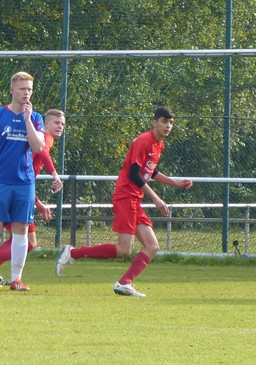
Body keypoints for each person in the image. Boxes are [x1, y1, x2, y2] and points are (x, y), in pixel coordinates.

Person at [55, 106, 193, 297]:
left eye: (171, 122)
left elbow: (150, 171)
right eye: (164, 121)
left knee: (152, 246)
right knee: (124, 250)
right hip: (126, 196)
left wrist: (175, 183)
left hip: (134, 199)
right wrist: (155, 198)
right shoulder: (145, 140)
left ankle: (124, 283)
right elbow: (134, 174)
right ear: (154, 122)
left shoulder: (158, 144)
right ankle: (72, 253)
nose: (168, 126)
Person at [0, 109, 65, 283]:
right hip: (9, 187)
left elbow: (26, 179)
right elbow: (42, 151)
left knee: (27, 240)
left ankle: (15, 279)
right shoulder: (46, 138)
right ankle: (15, 279)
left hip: (19, 189)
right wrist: (54, 173)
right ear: (46, 124)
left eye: (62, 124)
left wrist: (37, 202)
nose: (60, 126)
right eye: (56, 123)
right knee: (26, 240)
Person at [0, 71, 49, 291]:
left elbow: (38, 147)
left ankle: (16, 280)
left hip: (24, 182)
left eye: (29, 89)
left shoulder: (35, 117)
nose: (26, 93)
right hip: (1, 181)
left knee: (21, 230)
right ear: (12, 90)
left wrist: (27, 120)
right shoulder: (1, 114)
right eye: (22, 88)